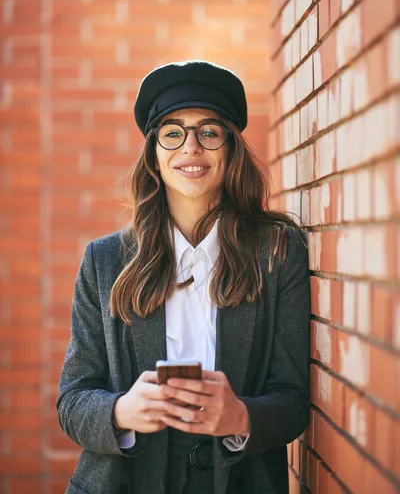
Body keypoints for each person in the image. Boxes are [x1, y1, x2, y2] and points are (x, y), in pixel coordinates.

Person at [57, 60, 311, 494]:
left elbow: (292, 400)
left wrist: (239, 418)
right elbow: (73, 399)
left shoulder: (277, 252)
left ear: (229, 149)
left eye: (209, 132)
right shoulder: (104, 261)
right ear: (154, 156)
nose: (191, 147)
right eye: (173, 133)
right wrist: (120, 412)